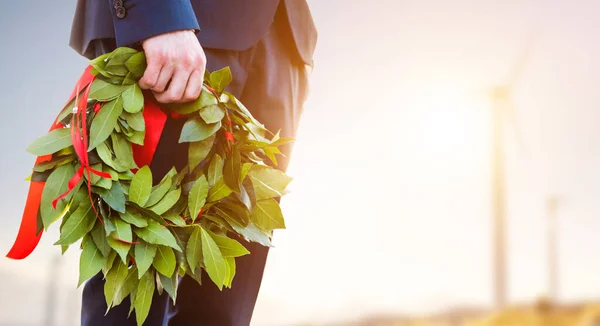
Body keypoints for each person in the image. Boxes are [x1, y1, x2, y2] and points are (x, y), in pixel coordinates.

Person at [70, 1, 317, 325]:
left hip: (283, 41)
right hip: (179, 29)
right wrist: (156, 14)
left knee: (220, 310)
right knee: (130, 297)